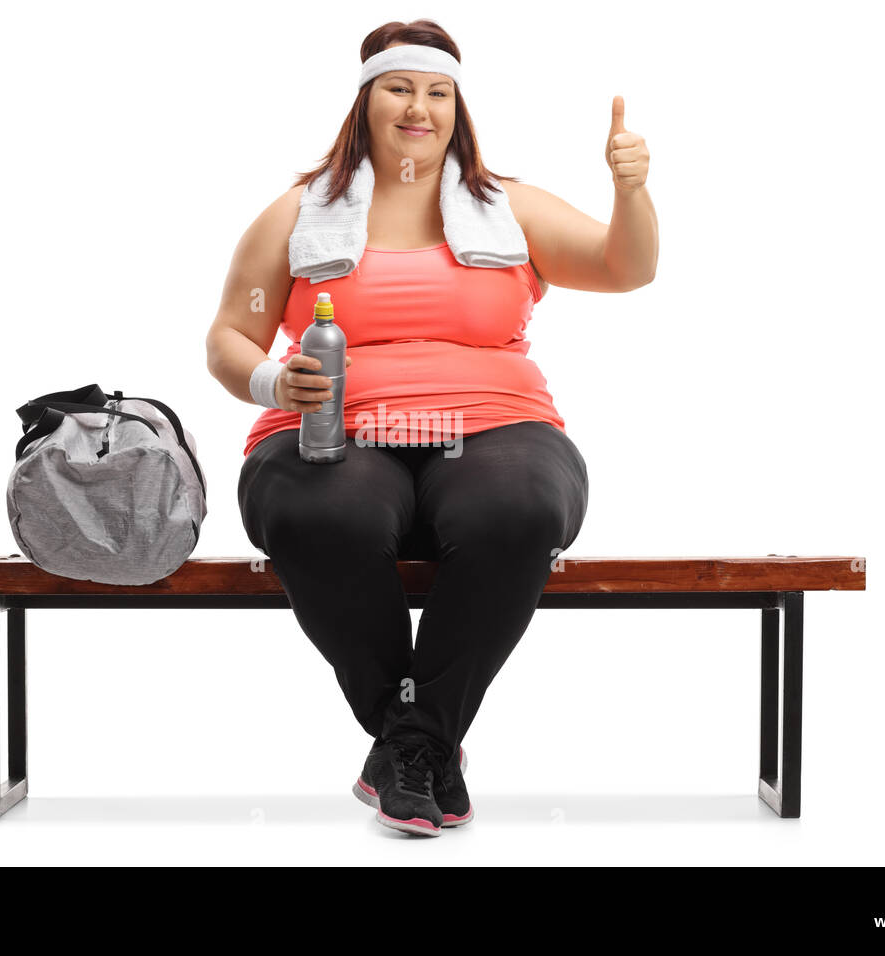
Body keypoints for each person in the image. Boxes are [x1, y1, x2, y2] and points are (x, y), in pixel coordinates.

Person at [205, 20, 657, 837]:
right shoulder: (296, 215)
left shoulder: (508, 209)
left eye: (438, 92)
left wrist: (631, 193)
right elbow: (231, 335)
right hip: (331, 432)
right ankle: (422, 746)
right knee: (322, 514)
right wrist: (274, 377)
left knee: (514, 511)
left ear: (457, 108)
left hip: (495, 428)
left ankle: (409, 745)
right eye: (401, 87)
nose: (420, 107)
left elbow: (627, 268)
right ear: (366, 100)